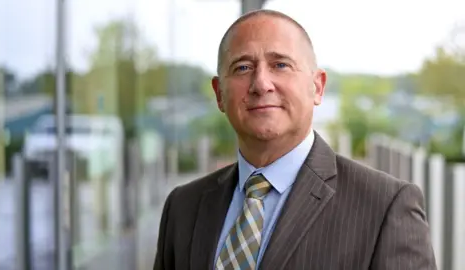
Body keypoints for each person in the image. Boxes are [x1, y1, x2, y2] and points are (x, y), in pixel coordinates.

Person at [153, 9, 437, 270]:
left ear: (317, 86)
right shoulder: (183, 207)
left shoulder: (385, 207)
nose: (261, 83)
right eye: (242, 67)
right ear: (219, 94)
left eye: (280, 65)